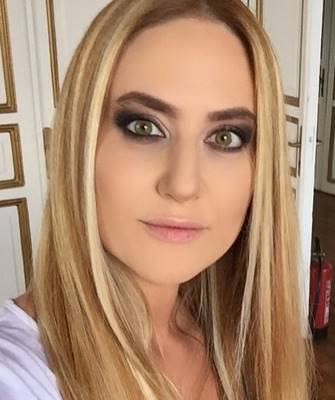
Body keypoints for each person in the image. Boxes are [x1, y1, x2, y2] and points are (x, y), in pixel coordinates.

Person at [0, 0, 315, 399]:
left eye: (225, 137)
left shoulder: (237, 339)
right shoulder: (17, 374)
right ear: (81, 142)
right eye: (144, 127)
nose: (182, 185)